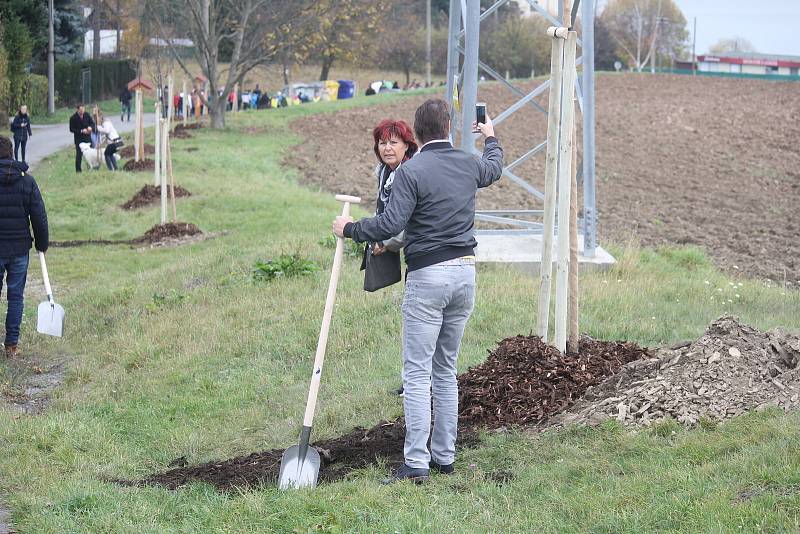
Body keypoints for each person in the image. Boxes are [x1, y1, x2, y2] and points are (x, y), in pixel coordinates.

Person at [333, 99, 503, 483]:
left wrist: (349, 228)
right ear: (447, 126)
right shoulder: (467, 161)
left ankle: (415, 464)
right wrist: (490, 136)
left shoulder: (412, 172)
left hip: (428, 277)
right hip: (465, 275)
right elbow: (494, 168)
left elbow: (389, 223)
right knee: (445, 371)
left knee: (416, 372)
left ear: (416, 132)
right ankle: (444, 457)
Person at [366, 119, 418, 396]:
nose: (387, 148)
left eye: (393, 142)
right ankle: (413, 381)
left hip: (423, 256)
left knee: (418, 323)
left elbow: (409, 221)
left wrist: (386, 241)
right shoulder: (384, 172)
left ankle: (415, 384)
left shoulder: (409, 173)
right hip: (409, 253)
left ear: (407, 145)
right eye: (382, 142)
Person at [0, 135, 49, 358]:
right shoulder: (27, 181)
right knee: (16, 297)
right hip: (19, 248)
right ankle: (11, 345)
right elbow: (38, 215)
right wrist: (42, 242)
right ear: (12, 153)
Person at [69, 104, 94, 173]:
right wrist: (81, 131)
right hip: (79, 139)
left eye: (83, 109)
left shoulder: (87, 115)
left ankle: (91, 168)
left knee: (90, 153)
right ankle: (78, 171)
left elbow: (92, 123)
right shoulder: (73, 118)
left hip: (87, 138)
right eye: (80, 110)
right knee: (79, 155)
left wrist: (90, 127)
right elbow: (71, 129)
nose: (82, 111)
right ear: (77, 110)